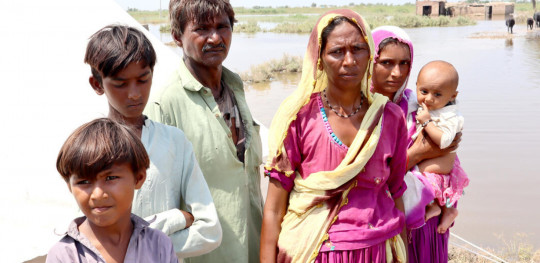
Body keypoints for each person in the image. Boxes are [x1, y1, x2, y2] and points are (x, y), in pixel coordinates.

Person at [260, 10, 408, 263]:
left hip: (379, 251)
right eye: (337, 51)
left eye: (358, 49)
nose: (349, 61)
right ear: (319, 59)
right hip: (312, 253)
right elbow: (274, 209)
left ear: (370, 54)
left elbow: (396, 194)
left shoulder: (390, 117)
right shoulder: (298, 119)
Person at [84, 24, 221, 260]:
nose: (135, 93)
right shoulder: (88, 149)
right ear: (98, 85)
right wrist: (175, 218)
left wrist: (135, 246)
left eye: (143, 79)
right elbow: (90, 239)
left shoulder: (175, 142)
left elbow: (209, 231)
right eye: (120, 84)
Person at [145, 1, 264, 262]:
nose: (215, 37)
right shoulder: (165, 104)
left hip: (253, 247)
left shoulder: (235, 86)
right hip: (206, 255)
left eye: (222, 27)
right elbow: (157, 207)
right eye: (201, 29)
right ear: (177, 37)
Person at [371, 26, 464, 263]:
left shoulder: (418, 104)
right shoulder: (359, 113)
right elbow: (372, 178)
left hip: (426, 222)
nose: (397, 72)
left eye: (404, 63)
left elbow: (447, 153)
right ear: (370, 62)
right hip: (383, 220)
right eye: (387, 63)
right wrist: (417, 153)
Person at [47, 118, 178, 263]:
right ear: (70, 187)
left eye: (110, 178)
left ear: (139, 178)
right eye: (83, 182)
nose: (97, 195)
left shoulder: (158, 246)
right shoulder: (64, 255)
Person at [412, 60, 468, 234]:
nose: (429, 98)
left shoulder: (451, 116)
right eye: (424, 91)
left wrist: (426, 122)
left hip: (442, 162)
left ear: (452, 96)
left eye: (437, 94)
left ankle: (435, 206)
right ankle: (447, 209)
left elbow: (444, 142)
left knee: (414, 174)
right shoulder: (431, 107)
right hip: (435, 158)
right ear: (416, 86)